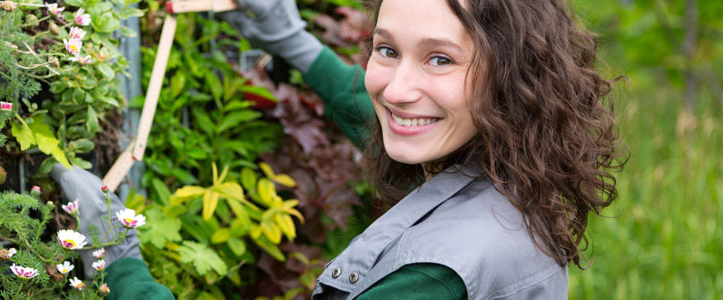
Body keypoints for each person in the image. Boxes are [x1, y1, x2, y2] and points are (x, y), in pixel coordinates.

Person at [51, 0, 622, 298]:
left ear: (513, 75)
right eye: (386, 49)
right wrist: (296, 46)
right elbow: (389, 110)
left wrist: (117, 260)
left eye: (440, 58)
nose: (395, 88)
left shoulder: (432, 279)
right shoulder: (512, 170)